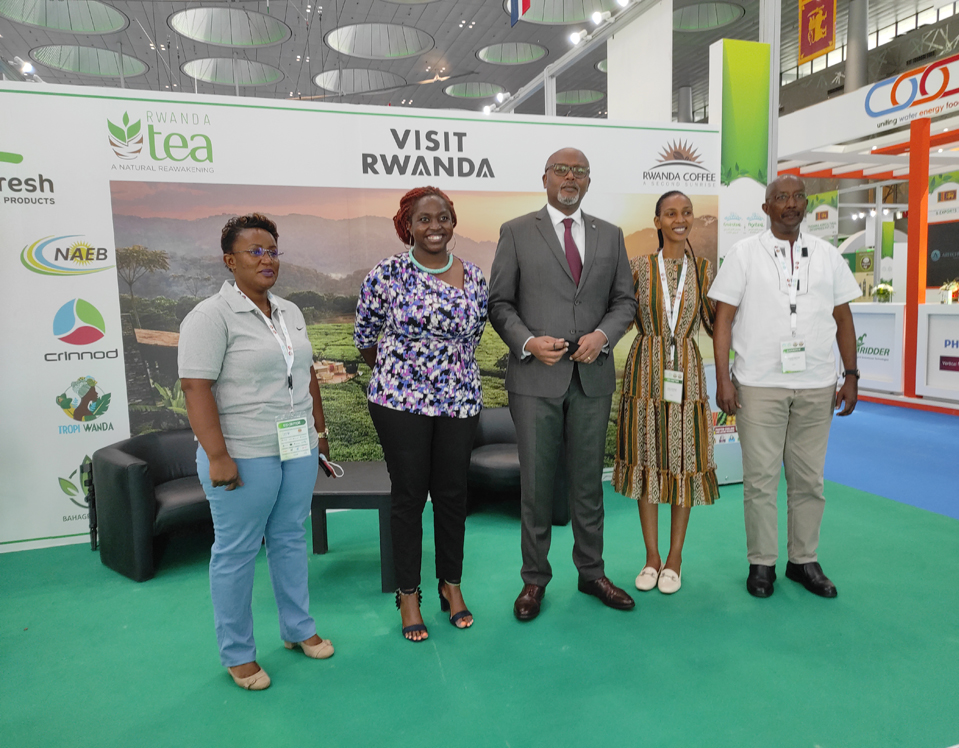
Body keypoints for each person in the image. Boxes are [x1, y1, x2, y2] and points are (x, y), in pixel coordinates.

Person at [179, 213, 334, 692]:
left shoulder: (289, 311)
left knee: (289, 536)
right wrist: (218, 456)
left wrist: (319, 434)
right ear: (230, 260)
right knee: (237, 550)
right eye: (255, 251)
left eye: (272, 251)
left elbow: (305, 375)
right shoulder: (210, 316)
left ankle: (297, 628)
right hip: (243, 452)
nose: (267, 260)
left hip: (296, 445)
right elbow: (195, 387)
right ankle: (238, 654)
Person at [489, 147, 639, 621]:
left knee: (588, 486)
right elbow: (499, 304)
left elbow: (625, 302)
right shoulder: (515, 232)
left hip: (592, 379)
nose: (569, 178)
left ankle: (591, 572)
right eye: (561, 170)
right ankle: (534, 581)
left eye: (579, 172)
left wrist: (603, 335)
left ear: (589, 182)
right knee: (535, 485)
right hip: (536, 379)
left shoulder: (611, 236)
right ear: (545, 178)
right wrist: (529, 342)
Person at [709, 175, 861, 599]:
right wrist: (723, 377)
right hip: (758, 383)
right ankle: (762, 563)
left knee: (809, 479)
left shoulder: (829, 256)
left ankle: (803, 560)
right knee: (759, 480)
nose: (790, 204)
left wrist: (851, 375)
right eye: (781, 198)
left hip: (816, 383)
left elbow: (844, 319)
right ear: (766, 208)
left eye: (797, 197)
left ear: (806, 204)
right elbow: (723, 320)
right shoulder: (743, 254)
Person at [354, 186, 488, 642]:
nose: (435, 227)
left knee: (453, 494)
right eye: (424, 219)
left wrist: (447, 375)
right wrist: (403, 373)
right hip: (400, 400)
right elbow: (365, 336)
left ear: (454, 222)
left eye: (443, 218)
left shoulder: (474, 277)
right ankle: (408, 594)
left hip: (459, 399)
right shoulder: (386, 274)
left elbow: (473, 337)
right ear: (407, 225)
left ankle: (451, 584)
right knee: (409, 494)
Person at [613, 191, 719, 595]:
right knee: (648, 460)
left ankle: (675, 557)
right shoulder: (638, 267)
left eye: (686, 213)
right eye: (671, 213)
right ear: (657, 221)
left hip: (688, 375)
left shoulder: (706, 270)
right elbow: (620, 319)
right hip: (644, 372)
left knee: (683, 460)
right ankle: (651, 557)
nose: (680, 219)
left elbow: (715, 324)